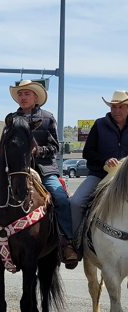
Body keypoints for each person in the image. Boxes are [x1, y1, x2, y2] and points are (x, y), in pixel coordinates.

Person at [9, 80, 78, 263]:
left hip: (45, 169)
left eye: (27, 94)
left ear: (36, 97)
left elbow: (54, 146)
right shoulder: (11, 120)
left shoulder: (47, 117)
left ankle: (67, 242)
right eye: (20, 94)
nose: (23, 97)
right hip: (18, 171)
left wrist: (36, 150)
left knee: (61, 199)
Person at [70, 90, 128, 236]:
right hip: (99, 174)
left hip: (126, 177)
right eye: (113, 107)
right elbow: (87, 152)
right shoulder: (99, 124)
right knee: (76, 203)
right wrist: (104, 161)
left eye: (120, 107)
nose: (116, 110)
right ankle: (74, 242)